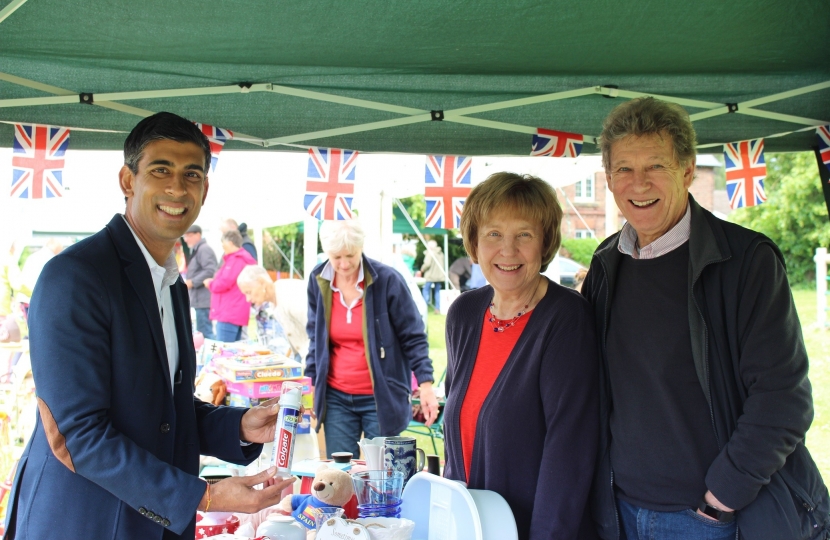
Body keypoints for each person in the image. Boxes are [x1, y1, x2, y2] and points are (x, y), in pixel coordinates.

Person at [3, 112, 294, 540]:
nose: (177, 188)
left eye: (191, 174)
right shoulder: (76, 276)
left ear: (205, 189)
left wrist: (238, 425)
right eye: (161, 170)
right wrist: (205, 497)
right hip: (82, 522)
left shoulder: (170, 281)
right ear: (127, 180)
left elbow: (162, 408)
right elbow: (77, 434)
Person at [582, 97, 829, 540]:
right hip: (619, 512)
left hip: (710, 519)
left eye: (655, 166)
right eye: (623, 169)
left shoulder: (746, 261)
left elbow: (783, 398)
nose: (638, 184)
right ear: (609, 178)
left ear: (688, 170)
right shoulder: (604, 264)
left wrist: (721, 500)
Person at [442, 172, 599, 540]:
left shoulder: (567, 318)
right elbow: (460, 431)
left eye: (524, 235)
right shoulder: (464, 314)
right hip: (473, 528)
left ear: (545, 243)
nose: (508, 250)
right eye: (494, 234)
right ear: (475, 242)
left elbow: (570, 453)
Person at [306, 219, 439, 459]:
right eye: (336, 257)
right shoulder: (319, 280)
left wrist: (426, 384)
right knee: (341, 473)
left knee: (386, 473)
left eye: (351, 255)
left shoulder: (387, 281)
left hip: (381, 396)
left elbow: (414, 336)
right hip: (337, 396)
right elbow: (315, 337)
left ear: (361, 248)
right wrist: (312, 383)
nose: (344, 264)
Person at [237, 265, 309, 361]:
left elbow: (318, 330)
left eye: (249, 292)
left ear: (262, 282)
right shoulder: (274, 301)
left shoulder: (289, 295)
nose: (248, 299)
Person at [205, 229, 256, 342]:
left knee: (224, 352)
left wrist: (210, 283)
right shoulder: (243, 258)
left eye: (223, 243)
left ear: (230, 243)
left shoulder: (236, 260)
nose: (222, 246)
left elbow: (224, 282)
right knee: (233, 351)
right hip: (236, 311)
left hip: (229, 312)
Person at [183, 224, 217, 340]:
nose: (186, 239)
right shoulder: (198, 249)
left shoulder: (204, 249)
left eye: (189, 235)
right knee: (203, 333)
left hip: (204, 299)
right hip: (199, 300)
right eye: (184, 236)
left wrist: (192, 282)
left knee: (206, 335)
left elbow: (210, 270)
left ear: (198, 235)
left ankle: (212, 357)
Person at [420, 239, 444, 313]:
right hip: (439, 276)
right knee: (437, 292)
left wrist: (422, 269)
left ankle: (425, 307)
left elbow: (427, 264)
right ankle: (437, 308)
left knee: (426, 290)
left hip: (430, 276)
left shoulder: (430, 253)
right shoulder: (440, 253)